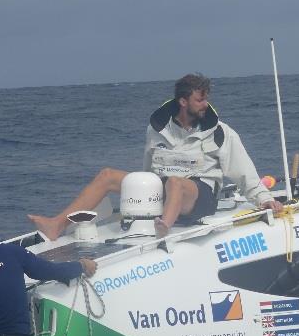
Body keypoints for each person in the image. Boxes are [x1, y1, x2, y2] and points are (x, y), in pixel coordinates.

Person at [28, 73, 283, 240]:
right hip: (165, 191)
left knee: (176, 182)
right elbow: (147, 171)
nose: (206, 104)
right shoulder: (157, 130)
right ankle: (56, 225)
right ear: (183, 102)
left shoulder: (220, 133)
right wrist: (139, 194)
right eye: (200, 100)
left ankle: (164, 229)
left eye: (206, 99)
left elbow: (244, 173)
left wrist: (264, 199)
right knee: (107, 175)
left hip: (200, 195)